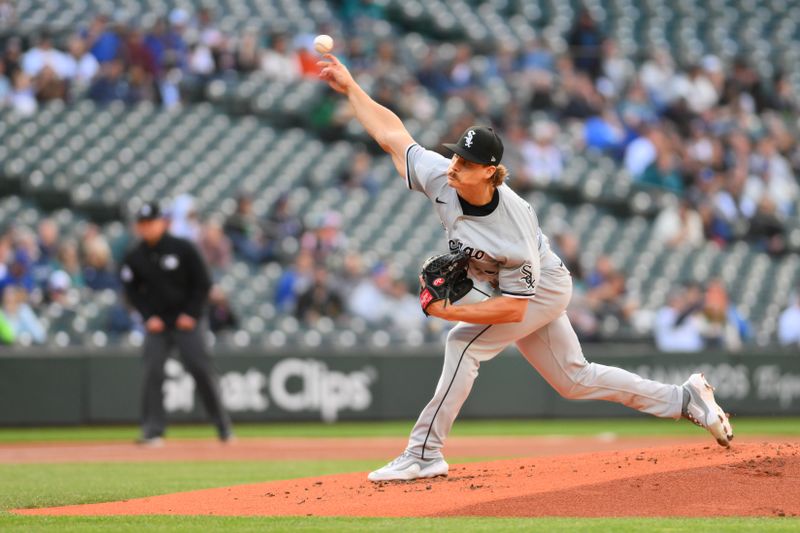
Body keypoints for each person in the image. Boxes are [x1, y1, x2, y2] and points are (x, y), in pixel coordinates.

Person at [317, 53, 734, 482]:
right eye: (456, 156)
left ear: (492, 172)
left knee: (462, 344)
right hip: (509, 286)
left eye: (466, 162)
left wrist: (447, 312)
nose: (455, 165)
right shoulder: (443, 175)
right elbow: (393, 135)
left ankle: (425, 452)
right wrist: (351, 87)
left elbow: (515, 310)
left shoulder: (512, 225)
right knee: (574, 379)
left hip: (544, 286)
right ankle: (682, 399)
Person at [120, 202, 232, 446]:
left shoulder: (183, 248)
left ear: (163, 222)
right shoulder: (135, 255)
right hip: (157, 324)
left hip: (187, 321)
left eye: (151, 222)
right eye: (142, 223)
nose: (146, 228)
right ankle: (153, 429)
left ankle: (222, 426)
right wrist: (148, 316)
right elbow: (131, 292)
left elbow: (203, 283)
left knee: (201, 370)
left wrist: (191, 313)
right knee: (152, 371)